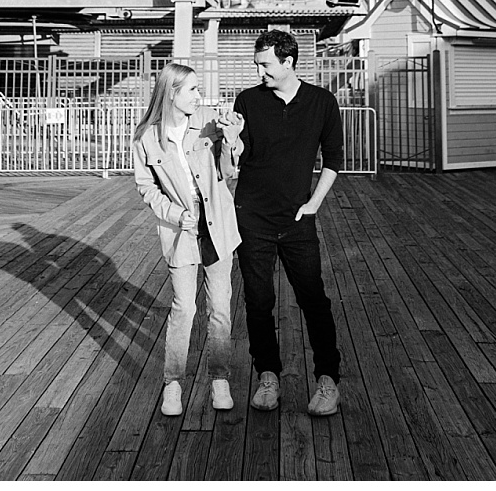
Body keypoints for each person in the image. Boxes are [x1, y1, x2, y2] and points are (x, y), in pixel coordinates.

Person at [232, 30, 344, 416]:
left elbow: (333, 160)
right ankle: (268, 376)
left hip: (297, 219)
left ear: (288, 62)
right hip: (252, 217)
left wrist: (313, 204)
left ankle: (328, 380)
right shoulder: (248, 100)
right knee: (258, 302)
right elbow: (240, 156)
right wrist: (232, 143)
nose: (259, 70)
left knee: (314, 299)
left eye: (265, 64)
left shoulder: (321, 102)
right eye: (257, 64)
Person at [132, 61, 245, 417]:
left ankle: (219, 379)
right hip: (180, 230)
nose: (200, 96)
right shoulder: (146, 137)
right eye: (192, 90)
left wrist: (232, 142)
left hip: (218, 225)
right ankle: (173, 383)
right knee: (184, 308)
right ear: (172, 93)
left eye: (199, 90)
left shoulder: (211, 123)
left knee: (220, 309)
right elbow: (146, 187)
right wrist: (175, 214)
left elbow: (230, 174)